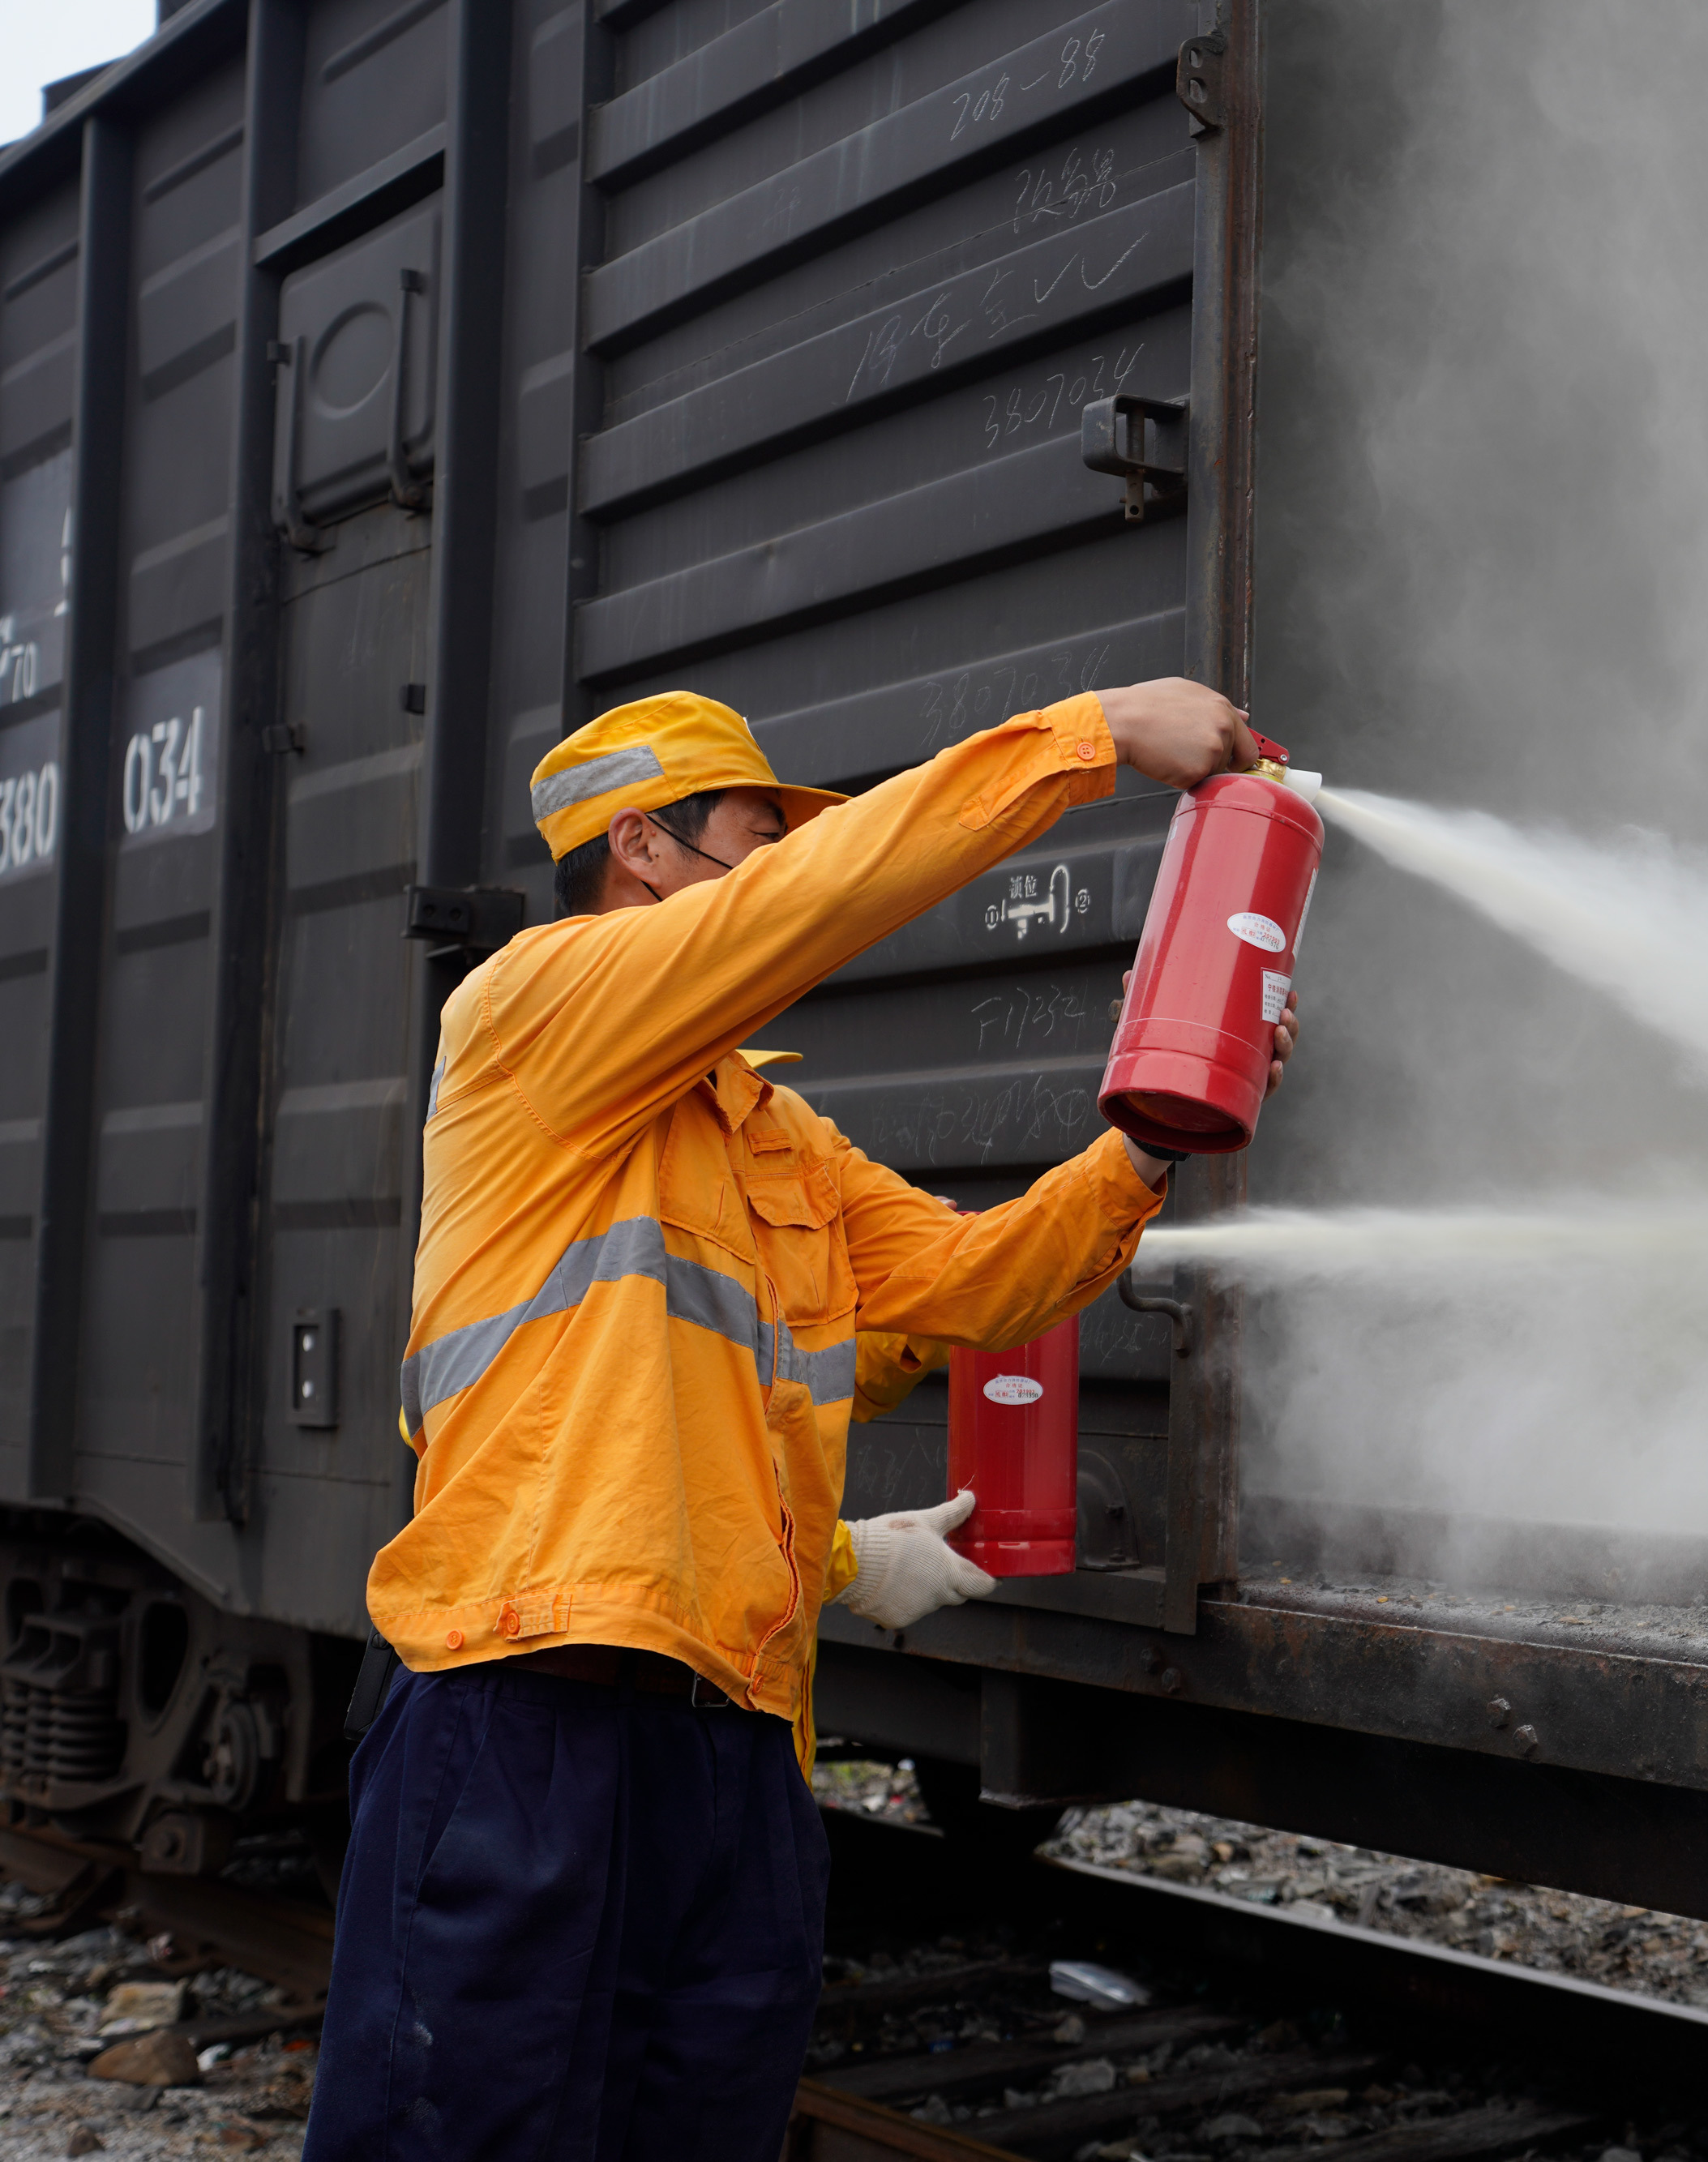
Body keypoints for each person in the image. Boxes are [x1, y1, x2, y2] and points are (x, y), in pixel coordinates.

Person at [306, 678, 1294, 2160]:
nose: (770, 877)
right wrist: (1088, 739)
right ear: (640, 847)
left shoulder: (776, 1135)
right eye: (748, 844)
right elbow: (813, 910)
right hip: (528, 1709)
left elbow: (974, 1283)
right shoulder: (528, 1009)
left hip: (742, 1743)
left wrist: (1143, 1149)